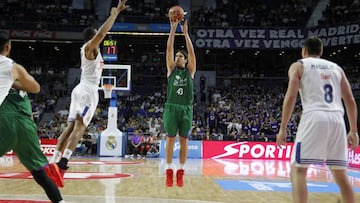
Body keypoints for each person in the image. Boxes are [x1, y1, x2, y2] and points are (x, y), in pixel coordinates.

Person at [50, 0, 129, 177]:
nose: (99, 38)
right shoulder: (90, 47)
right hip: (87, 90)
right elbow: (101, 33)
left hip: (81, 89)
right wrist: (114, 14)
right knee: (79, 127)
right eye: (96, 36)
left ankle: (54, 161)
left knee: (70, 127)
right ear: (92, 37)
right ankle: (63, 163)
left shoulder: (91, 50)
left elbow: (100, 35)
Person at [276, 36, 359, 203]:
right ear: (320, 52)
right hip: (337, 118)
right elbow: (350, 99)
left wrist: (283, 128)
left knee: (298, 170)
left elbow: (291, 95)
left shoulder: (299, 65)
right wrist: (354, 130)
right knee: (341, 175)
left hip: (314, 116)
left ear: (304, 50)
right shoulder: (337, 68)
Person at [0, 33, 65, 202]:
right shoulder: (15, 71)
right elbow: (35, 87)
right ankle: (60, 201)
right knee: (40, 173)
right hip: (24, 125)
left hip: (4, 121)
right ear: (7, 47)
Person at [163, 18, 196, 187]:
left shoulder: (190, 71)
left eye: (180, 56)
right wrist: (173, 29)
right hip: (171, 108)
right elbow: (169, 48)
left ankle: (181, 172)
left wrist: (185, 34)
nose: (177, 57)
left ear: (185, 59)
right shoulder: (171, 69)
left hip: (186, 109)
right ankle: (169, 171)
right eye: (176, 56)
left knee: (184, 141)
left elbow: (191, 52)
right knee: (170, 140)